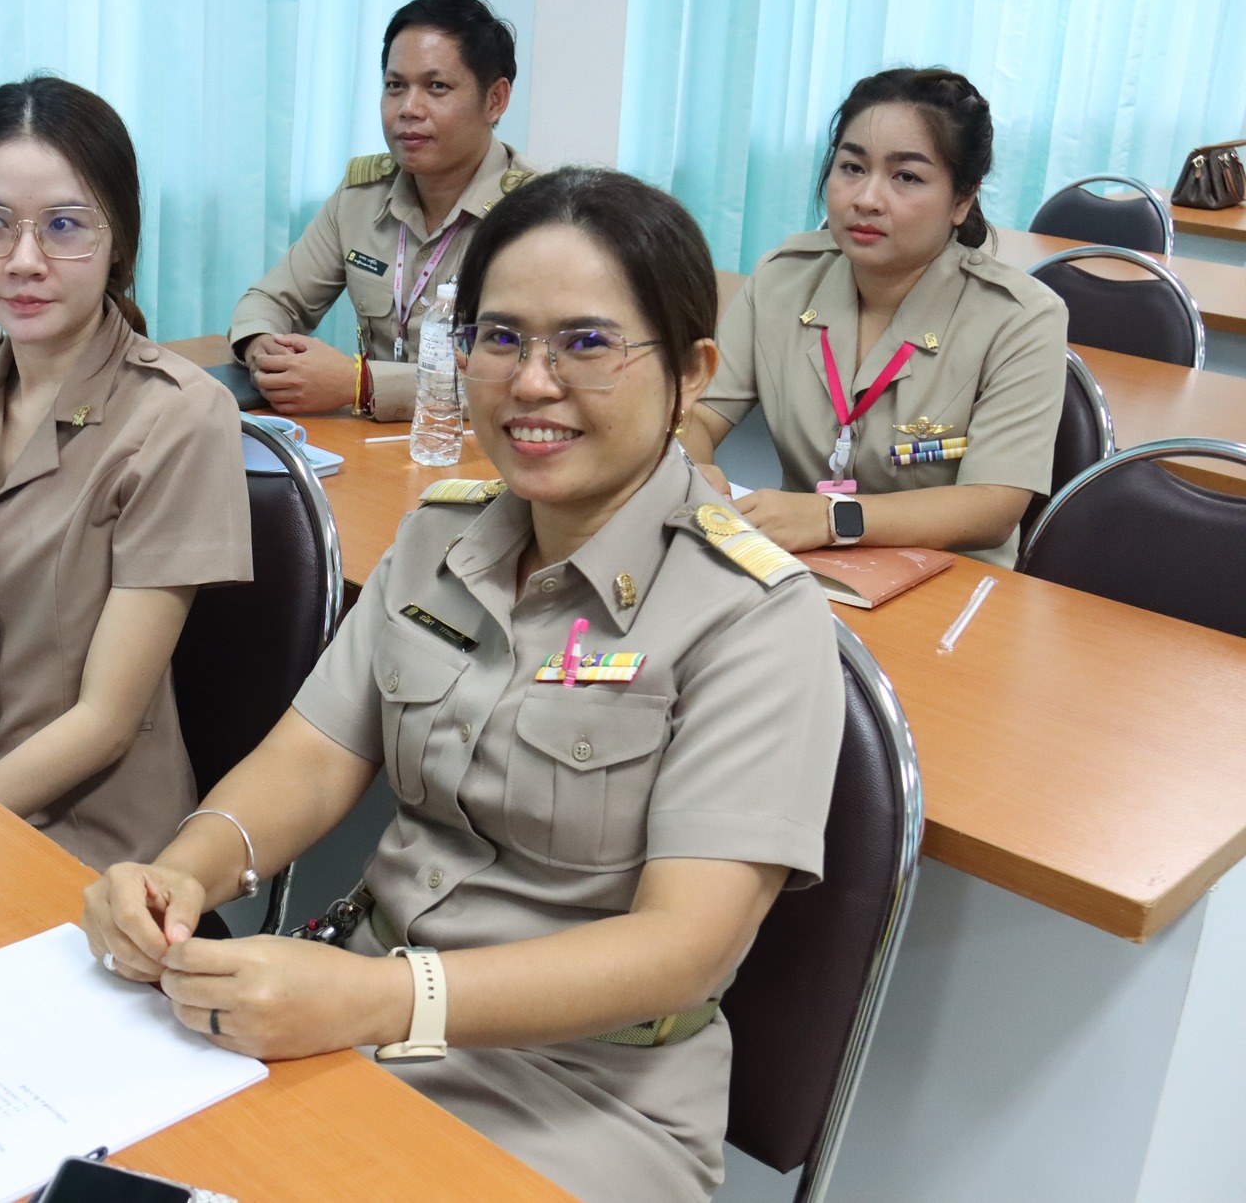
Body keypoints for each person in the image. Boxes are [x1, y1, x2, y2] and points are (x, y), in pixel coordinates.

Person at [84, 168, 843, 1203]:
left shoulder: (753, 614)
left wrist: (384, 1001)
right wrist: (182, 872)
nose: (531, 383)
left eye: (586, 343)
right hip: (352, 1007)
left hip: (585, 1088)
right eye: (500, 338)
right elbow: (311, 758)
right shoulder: (441, 535)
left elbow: (682, 949)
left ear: (689, 372)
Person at [0, 77, 252, 872]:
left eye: (65, 225)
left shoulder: (180, 416)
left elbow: (104, 720)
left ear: (119, 240)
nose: (24, 260)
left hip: (90, 839)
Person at [682, 67, 1068, 566]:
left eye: (906, 177)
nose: (866, 198)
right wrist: (695, 470)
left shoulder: (1021, 318)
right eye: (852, 168)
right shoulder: (782, 280)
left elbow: (993, 505)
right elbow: (698, 415)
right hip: (799, 568)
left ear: (962, 200)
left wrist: (832, 518)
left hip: (948, 582)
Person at [229, 0, 538, 421]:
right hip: (370, 444)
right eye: (395, 86)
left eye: (437, 87)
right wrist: (263, 346)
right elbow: (271, 300)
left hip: (476, 450)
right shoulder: (362, 195)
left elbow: (520, 378)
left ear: (495, 100)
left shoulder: (536, 218)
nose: (408, 109)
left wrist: (362, 384)